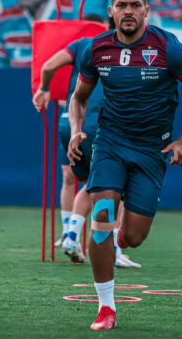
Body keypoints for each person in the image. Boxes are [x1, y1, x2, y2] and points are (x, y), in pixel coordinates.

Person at [67, 0, 182, 330]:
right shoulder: (96, 49)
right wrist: (77, 130)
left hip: (151, 152)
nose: (129, 11)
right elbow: (78, 97)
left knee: (133, 236)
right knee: (102, 215)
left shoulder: (168, 48)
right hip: (110, 145)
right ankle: (106, 308)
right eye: (122, 5)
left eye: (136, 5)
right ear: (111, 11)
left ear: (147, 10)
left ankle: (122, 240)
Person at [32, 15, 141, 269]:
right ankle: (113, 248)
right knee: (118, 186)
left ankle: (70, 234)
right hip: (100, 126)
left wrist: (44, 89)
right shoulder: (123, 52)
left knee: (87, 184)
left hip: (68, 124)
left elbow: (48, 66)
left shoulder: (82, 44)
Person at [0, 0, 75, 243]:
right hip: (25, 108)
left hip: (64, 105)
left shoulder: (71, 14)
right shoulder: (6, 18)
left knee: (71, 173)